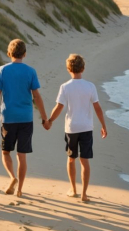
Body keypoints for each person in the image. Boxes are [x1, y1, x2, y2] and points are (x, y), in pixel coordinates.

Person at [0, 39, 49, 197]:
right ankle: (20, 189)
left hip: (8, 118)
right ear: (25, 53)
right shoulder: (30, 71)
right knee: (22, 155)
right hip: (26, 118)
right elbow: (37, 96)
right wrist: (44, 117)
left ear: (9, 53)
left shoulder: (2, 70)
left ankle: (12, 177)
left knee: (6, 152)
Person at [45, 54, 107, 203]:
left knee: (71, 159)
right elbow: (97, 107)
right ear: (83, 68)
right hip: (86, 127)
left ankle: (73, 189)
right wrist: (103, 126)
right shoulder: (90, 86)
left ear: (68, 69)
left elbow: (59, 107)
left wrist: (50, 120)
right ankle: (84, 194)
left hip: (71, 128)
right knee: (84, 161)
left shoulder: (65, 87)